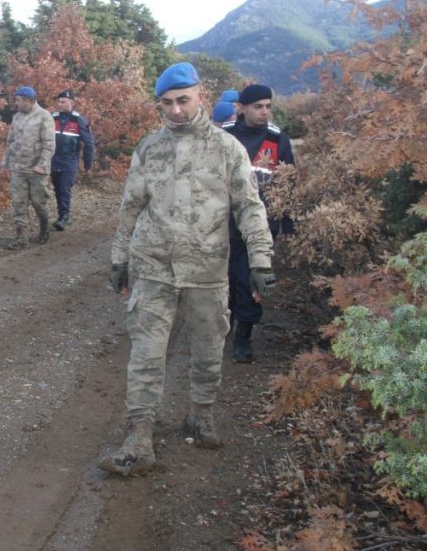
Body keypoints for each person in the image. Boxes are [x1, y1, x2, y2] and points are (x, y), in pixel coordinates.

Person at [99, 62, 275, 476]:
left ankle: (200, 415)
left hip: (207, 267)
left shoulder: (227, 149)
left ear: (201, 96)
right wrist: (119, 258)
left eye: (183, 100)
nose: (176, 110)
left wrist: (260, 258)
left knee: (209, 348)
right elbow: (130, 207)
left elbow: (249, 207)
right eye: (167, 104)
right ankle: (139, 436)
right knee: (145, 352)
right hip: (153, 265)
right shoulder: (148, 148)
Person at [222, 83, 295, 362]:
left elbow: (288, 184)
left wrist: (287, 225)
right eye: (258, 106)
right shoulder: (224, 136)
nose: (264, 112)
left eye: (268, 106)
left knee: (251, 279)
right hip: (223, 222)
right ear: (242, 108)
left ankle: (244, 336)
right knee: (224, 277)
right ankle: (222, 324)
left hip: (262, 225)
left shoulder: (278, 140)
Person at [1, 86, 55, 249]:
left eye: (18, 100)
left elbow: (49, 144)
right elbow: (10, 142)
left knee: (39, 202)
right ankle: (21, 237)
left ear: (28, 101)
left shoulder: (44, 117)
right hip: (18, 168)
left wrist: (42, 165)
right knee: (19, 202)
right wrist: (6, 163)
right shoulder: (17, 117)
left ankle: (45, 228)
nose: (16, 104)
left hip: (36, 169)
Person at [49, 89, 95, 231]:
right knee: (57, 188)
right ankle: (61, 214)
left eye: (63, 102)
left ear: (72, 103)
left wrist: (88, 163)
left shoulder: (78, 120)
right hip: (53, 160)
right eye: (58, 101)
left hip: (69, 161)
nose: (60, 104)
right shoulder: (52, 118)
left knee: (64, 188)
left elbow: (89, 143)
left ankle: (64, 217)